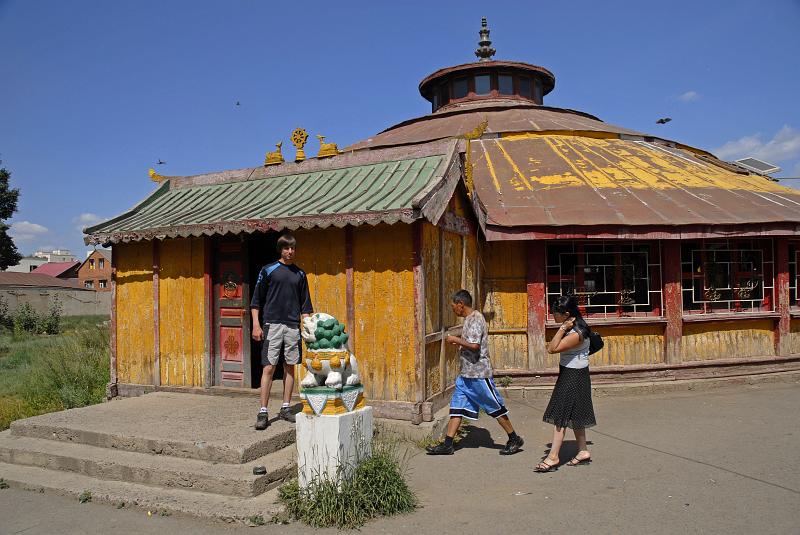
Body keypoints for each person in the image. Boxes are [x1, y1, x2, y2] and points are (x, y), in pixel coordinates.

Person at [426, 289, 524, 456]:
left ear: (460, 304)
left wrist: (455, 339)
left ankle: (513, 438)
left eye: (453, 306)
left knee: (494, 406)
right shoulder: (469, 319)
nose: (453, 309)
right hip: (466, 375)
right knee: (456, 407)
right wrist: (461, 344)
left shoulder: (476, 319)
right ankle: (448, 444)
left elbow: (475, 346)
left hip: (479, 374)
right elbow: (470, 343)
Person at [250, 232, 313, 430]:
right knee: (268, 368)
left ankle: (286, 408)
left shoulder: (300, 274)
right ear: (280, 250)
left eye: (293, 248)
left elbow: (306, 306)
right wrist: (256, 324)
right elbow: (256, 301)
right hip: (272, 324)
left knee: (290, 366)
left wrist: (309, 328)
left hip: (293, 326)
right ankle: (263, 412)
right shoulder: (268, 270)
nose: (290, 251)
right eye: (286, 248)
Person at [534, 294, 596, 472]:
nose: (553, 315)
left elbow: (551, 348)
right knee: (576, 414)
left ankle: (553, 457)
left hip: (573, 376)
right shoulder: (576, 324)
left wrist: (561, 329)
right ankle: (583, 451)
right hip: (574, 374)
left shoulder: (576, 332)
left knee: (561, 415)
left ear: (566, 314)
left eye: (556, 313)